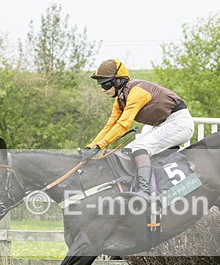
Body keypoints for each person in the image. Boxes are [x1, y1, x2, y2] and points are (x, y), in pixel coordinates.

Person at [82, 58, 195, 199]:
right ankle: (138, 188)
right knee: (128, 151)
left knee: (140, 148)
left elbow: (123, 124)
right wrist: (91, 146)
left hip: (179, 123)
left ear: (118, 81)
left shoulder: (137, 92)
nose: (102, 89)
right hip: (163, 124)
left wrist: (101, 145)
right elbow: (110, 125)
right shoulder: (120, 100)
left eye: (105, 84)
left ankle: (145, 192)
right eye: (100, 85)